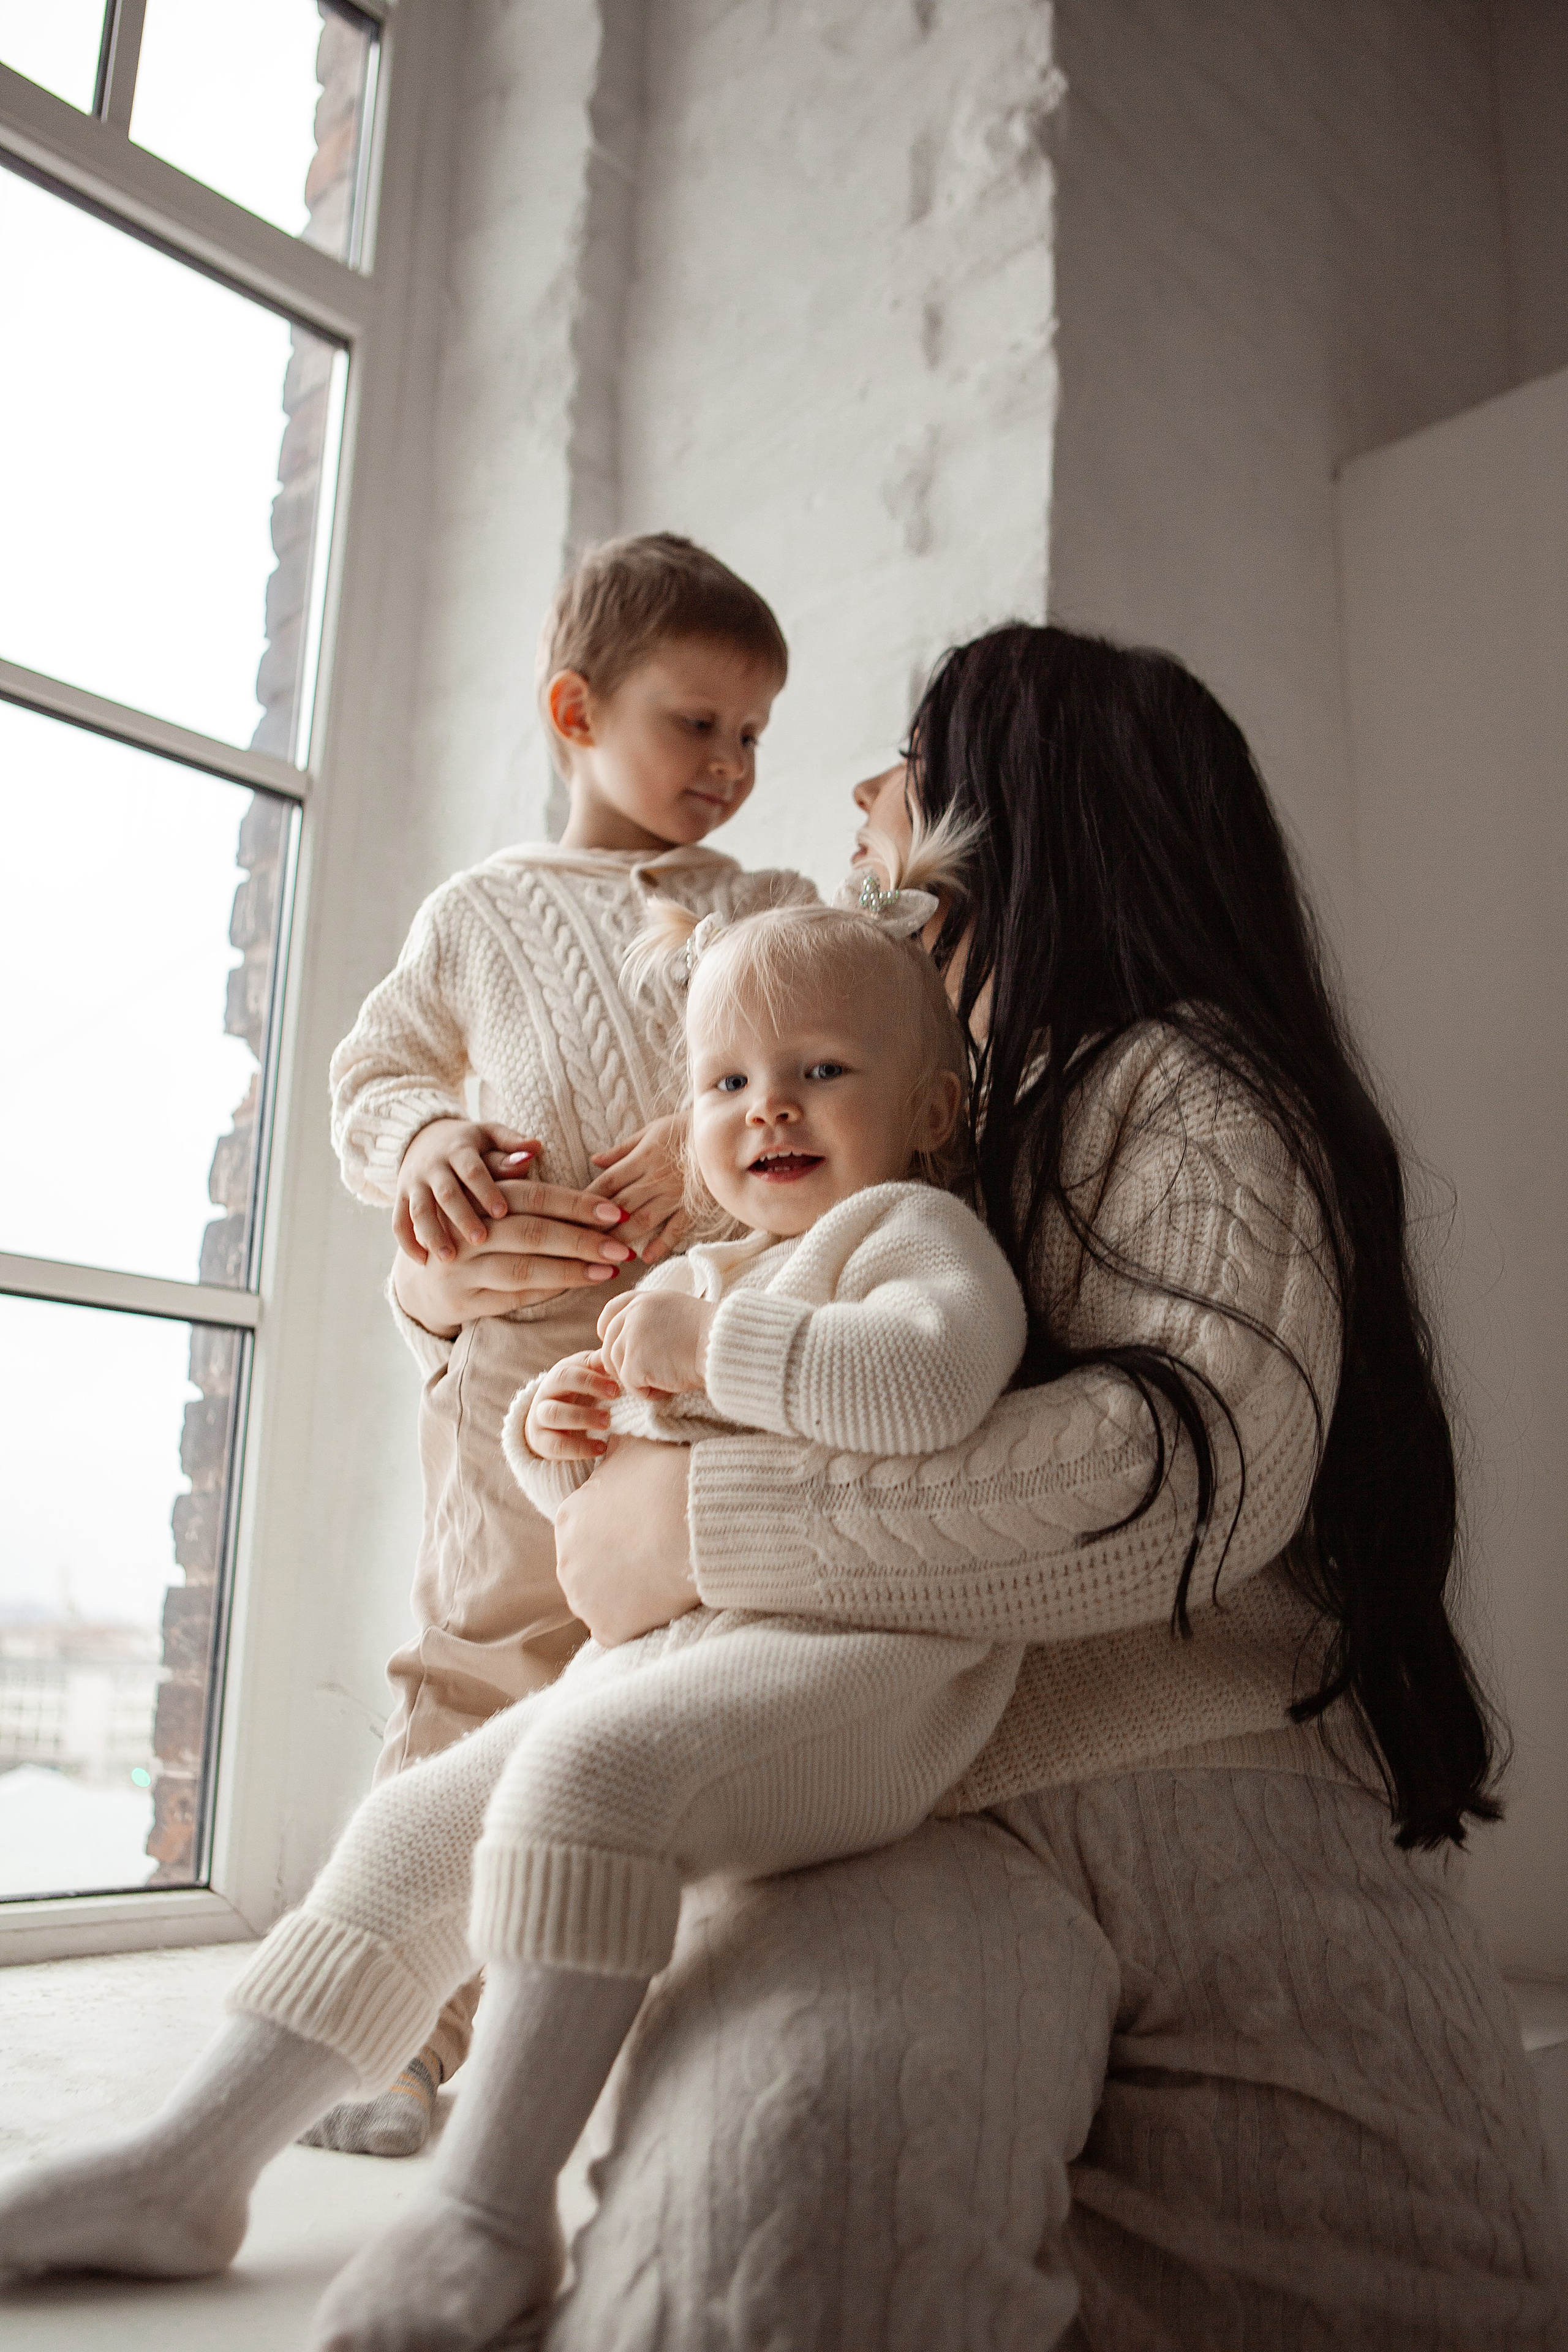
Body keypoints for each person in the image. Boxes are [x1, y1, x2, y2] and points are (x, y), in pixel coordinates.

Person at [527, 625, 1568, 2349]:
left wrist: (703, 1529)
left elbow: (1186, 1478)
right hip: (885, 1815)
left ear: (1035, 820)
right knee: (760, 2269)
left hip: (1205, 1808)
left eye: (911, 761)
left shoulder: (1182, 1084)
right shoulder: (891, 1144)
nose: (863, 797)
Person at [0, 851, 1036, 2352]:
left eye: (819, 1071)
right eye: (729, 1081)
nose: (768, 1109)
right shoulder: (721, 1264)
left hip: (871, 1672)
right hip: (703, 1643)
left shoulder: (910, 1240)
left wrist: (704, 1355)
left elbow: (930, 1382)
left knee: (583, 1769)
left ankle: (487, 2212)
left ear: (932, 1110)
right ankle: (191, 2165)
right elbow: (626, 1521)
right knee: (420, 1824)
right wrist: (564, 1437)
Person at [310, 530, 815, 2152]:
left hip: (707, 1366)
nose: (731, 766)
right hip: (516, 1361)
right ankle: (391, 2038)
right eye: (696, 725)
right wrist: (424, 1150)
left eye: (753, 735)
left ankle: (624, 2038)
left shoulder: (763, 907)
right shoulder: (479, 913)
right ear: (575, 713)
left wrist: (713, 1121)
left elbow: (831, 1047)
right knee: (475, 1676)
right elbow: (374, 1076)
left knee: (669, 1698)